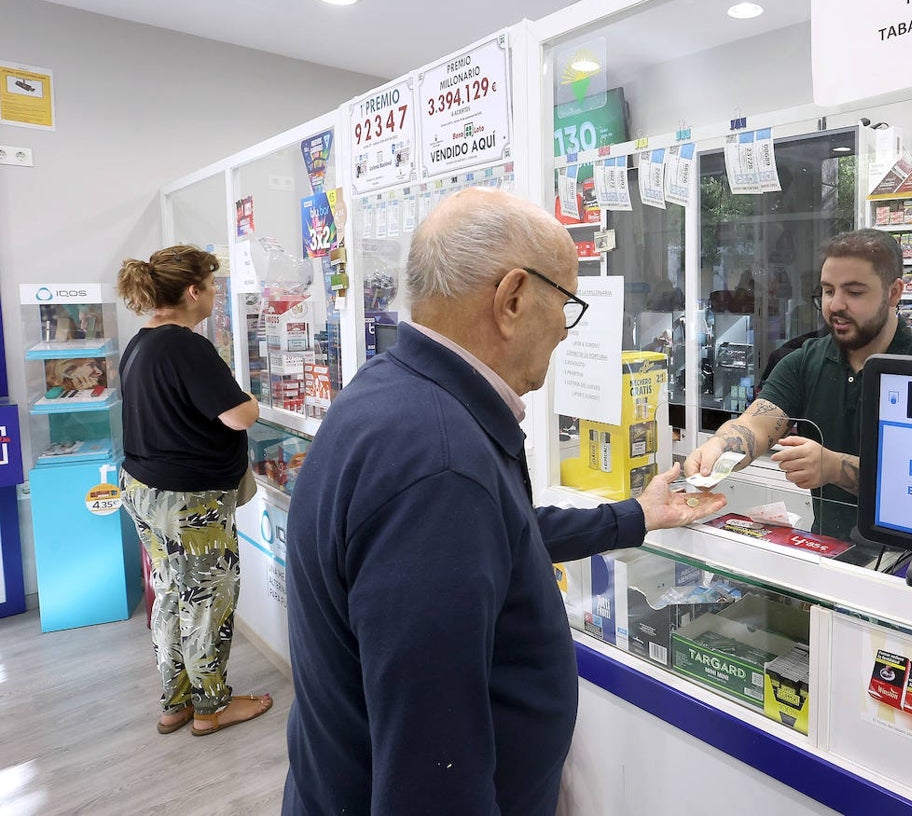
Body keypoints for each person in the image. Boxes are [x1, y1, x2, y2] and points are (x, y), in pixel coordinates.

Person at [282, 188, 726, 815]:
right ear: (513, 299)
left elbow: (499, 538)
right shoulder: (439, 462)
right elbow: (431, 772)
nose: (566, 335)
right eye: (567, 306)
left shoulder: (397, 398)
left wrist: (636, 515)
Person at [685, 228, 912, 539]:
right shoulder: (804, 361)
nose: (835, 305)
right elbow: (755, 426)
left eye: (854, 292)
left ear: (894, 292)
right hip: (828, 555)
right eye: (829, 291)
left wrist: (834, 467)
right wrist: (719, 448)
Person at [116, 245, 272, 736]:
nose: (215, 293)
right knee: (207, 600)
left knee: (171, 595)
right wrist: (249, 399)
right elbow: (239, 415)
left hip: (146, 489)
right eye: (212, 284)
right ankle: (211, 708)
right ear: (193, 291)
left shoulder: (142, 341)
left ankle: (176, 702)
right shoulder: (186, 345)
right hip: (189, 502)